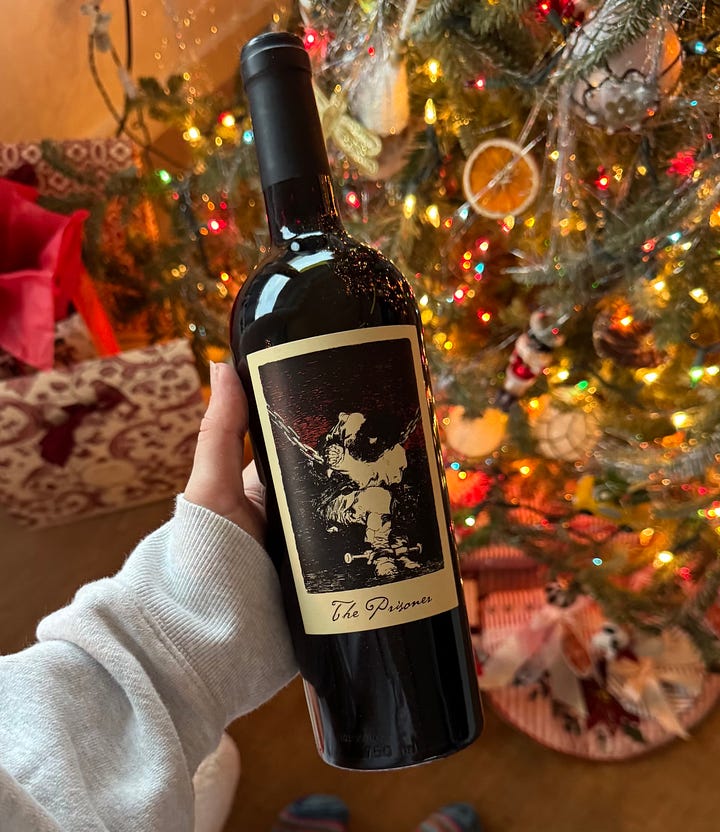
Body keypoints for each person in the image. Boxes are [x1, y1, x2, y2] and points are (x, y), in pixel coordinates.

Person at [0, 362, 482, 832]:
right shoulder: (336, 453)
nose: (356, 432)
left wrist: (204, 599)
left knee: (381, 501)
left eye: (360, 428)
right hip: (340, 511)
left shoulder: (385, 453)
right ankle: (378, 550)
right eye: (351, 428)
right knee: (375, 503)